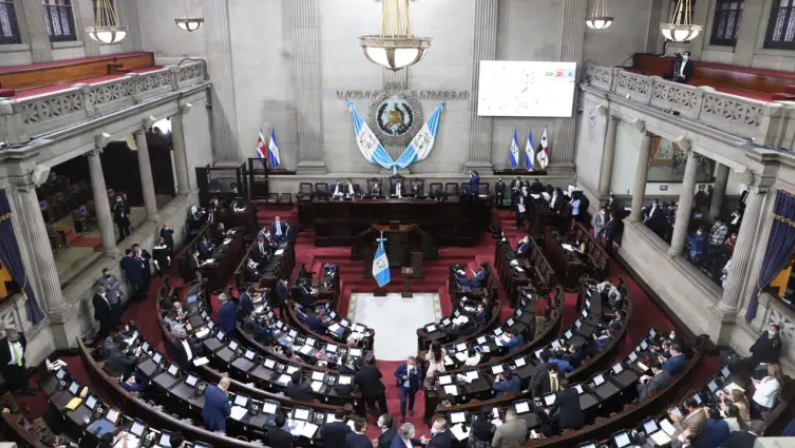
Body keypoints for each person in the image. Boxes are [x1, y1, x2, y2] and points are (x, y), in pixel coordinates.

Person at [0, 329, 35, 395]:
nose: (16, 339)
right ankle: (14, 393)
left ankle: (26, 389)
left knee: (24, 376)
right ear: (8, 337)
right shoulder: (1, 345)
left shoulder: (20, 336)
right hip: (9, 367)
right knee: (12, 380)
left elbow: (24, 343)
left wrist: (21, 353)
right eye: (14, 338)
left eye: (17, 337)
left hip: (20, 362)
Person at [394, 356, 421, 422]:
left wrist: (415, 371)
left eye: (413, 364)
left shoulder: (417, 368)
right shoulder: (402, 367)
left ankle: (410, 408)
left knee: (412, 398)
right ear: (407, 362)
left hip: (413, 386)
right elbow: (395, 373)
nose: (412, 365)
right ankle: (403, 415)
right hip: (404, 386)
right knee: (403, 401)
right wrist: (402, 376)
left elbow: (419, 377)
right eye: (411, 364)